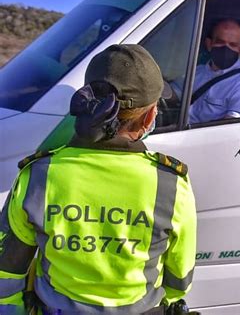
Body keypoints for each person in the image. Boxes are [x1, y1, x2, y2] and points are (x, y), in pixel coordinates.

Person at [0, 44, 197, 315]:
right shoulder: (172, 185)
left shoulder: (38, 175)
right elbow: (179, 281)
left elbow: (7, 269)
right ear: (150, 116)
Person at [172, 19, 240, 124]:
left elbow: (230, 126)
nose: (226, 49)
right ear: (209, 44)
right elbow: (174, 94)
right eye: (220, 42)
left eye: (233, 45)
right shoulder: (197, 71)